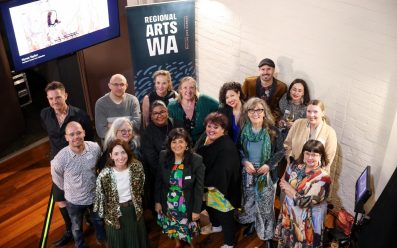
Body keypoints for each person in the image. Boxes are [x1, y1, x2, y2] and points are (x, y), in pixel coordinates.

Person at [40, 81, 94, 246]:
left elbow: (90, 138)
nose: (54, 101)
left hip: (79, 162)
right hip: (59, 165)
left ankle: (90, 221)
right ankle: (69, 230)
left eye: (57, 97)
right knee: (61, 199)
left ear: (65, 96)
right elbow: (51, 137)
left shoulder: (80, 115)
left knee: (84, 195)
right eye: (51, 99)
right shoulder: (44, 114)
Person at [50, 122, 106, 248]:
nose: (76, 137)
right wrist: (68, 189)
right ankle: (80, 245)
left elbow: (99, 166)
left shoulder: (95, 148)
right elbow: (56, 177)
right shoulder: (60, 158)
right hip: (74, 200)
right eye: (72, 134)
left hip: (94, 195)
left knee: (98, 220)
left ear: (84, 133)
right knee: (76, 227)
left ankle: (102, 241)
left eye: (79, 133)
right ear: (66, 137)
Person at [238, 97, 284, 248]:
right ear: (247, 113)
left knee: (265, 206)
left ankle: (267, 235)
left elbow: (281, 152)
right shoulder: (244, 130)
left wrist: (268, 165)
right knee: (249, 201)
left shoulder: (272, 130)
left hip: (266, 174)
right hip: (249, 173)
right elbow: (238, 150)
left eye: (259, 110)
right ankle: (253, 223)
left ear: (265, 112)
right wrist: (245, 162)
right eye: (252, 110)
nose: (255, 113)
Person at [195, 112, 241, 248]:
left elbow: (224, 170)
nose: (211, 130)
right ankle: (216, 226)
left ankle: (229, 242)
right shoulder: (206, 138)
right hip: (208, 184)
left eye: (216, 127)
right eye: (209, 126)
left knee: (224, 214)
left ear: (224, 130)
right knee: (211, 208)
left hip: (221, 187)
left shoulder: (226, 146)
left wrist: (206, 181)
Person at [275, 140, 331, 248]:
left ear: (321, 156)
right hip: (289, 212)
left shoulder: (323, 178)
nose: (310, 158)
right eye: (307, 153)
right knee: (286, 241)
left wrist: (291, 191)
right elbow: (282, 183)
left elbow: (304, 203)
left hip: (305, 221)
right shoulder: (296, 165)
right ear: (303, 154)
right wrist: (295, 195)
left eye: (314, 155)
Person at [155, 128, 205, 247]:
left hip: (186, 203)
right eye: (174, 142)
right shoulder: (163, 156)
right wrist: (157, 201)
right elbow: (158, 181)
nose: (177, 145)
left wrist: (197, 210)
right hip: (168, 202)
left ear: (187, 143)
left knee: (189, 230)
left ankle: (192, 244)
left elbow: (199, 188)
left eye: (181, 141)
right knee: (172, 225)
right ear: (169, 144)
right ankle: (177, 242)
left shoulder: (196, 160)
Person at [94, 139, 148, 248]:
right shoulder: (104, 175)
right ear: (111, 156)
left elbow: (141, 187)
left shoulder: (137, 167)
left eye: (123, 152)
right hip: (115, 215)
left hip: (134, 210)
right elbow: (100, 199)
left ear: (127, 153)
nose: (120, 157)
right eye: (116, 153)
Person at [141, 100, 182, 210]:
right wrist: (168, 174)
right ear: (151, 116)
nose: (159, 115)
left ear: (167, 112)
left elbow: (186, 143)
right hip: (160, 174)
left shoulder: (176, 124)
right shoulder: (147, 133)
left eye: (162, 112)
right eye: (155, 113)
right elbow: (152, 160)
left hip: (181, 169)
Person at [284, 99, 337, 173]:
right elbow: (287, 145)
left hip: (315, 176)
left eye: (315, 112)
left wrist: (311, 172)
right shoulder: (297, 123)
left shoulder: (330, 132)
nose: (311, 115)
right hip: (294, 170)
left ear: (322, 113)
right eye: (309, 111)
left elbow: (328, 158)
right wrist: (293, 161)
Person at [168, 76, 219, 143]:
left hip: (204, 144)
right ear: (180, 90)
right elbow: (169, 129)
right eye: (185, 88)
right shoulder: (172, 106)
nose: (188, 91)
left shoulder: (204, 100)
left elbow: (221, 107)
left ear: (195, 89)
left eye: (191, 87)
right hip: (182, 145)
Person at [95, 74, 141, 140]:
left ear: (126, 86)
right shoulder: (101, 103)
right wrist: (127, 127)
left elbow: (137, 125)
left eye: (122, 84)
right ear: (109, 86)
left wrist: (112, 125)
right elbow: (101, 132)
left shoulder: (133, 100)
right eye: (115, 84)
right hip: (111, 145)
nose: (119, 87)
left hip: (132, 143)